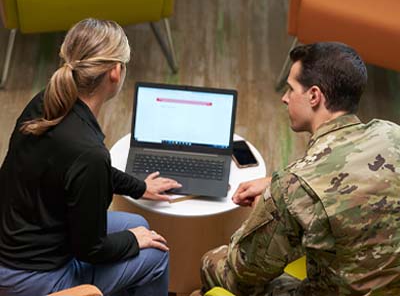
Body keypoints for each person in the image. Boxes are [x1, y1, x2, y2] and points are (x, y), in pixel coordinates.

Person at [196, 42, 400, 295]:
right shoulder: (392, 133)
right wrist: (275, 182)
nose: (284, 97)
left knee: (213, 262)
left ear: (314, 96)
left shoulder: (295, 187)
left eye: (291, 89)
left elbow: (246, 270)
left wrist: (268, 205)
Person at [0, 18, 182, 296]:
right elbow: (91, 248)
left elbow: (76, 169)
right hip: (34, 274)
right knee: (156, 254)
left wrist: (140, 187)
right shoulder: (88, 152)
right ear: (115, 72)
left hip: (19, 240)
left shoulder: (46, 101)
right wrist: (133, 241)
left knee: (140, 225)